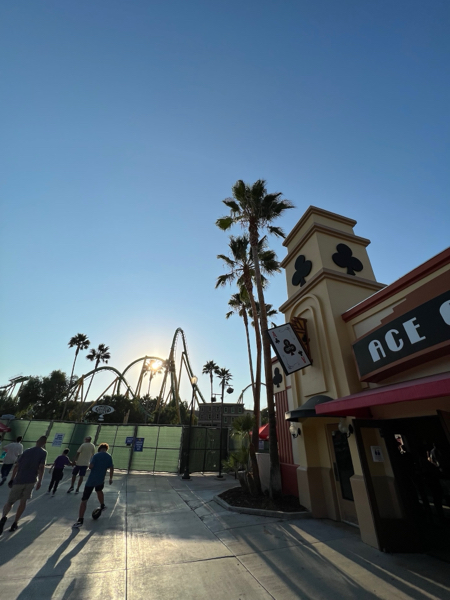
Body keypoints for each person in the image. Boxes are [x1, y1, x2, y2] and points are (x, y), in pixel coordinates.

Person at [0, 436, 47, 535]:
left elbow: (17, 466)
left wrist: (12, 478)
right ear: (44, 443)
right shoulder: (43, 453)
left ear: (36, 441)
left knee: (10, 502)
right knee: (23, 502)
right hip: (31, 481)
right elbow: (41, 467)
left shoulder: (26, 451)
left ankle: (3, 517)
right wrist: (40, 481)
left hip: (19, 479)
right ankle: (15, 523)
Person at [72, 442, 114, 528]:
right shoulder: (109, 456)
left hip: (91, 480)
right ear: (106, 449)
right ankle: (102, 505)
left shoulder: (96, 455)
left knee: (84, 500)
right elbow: (111, 467)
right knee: (99, 490)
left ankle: (80, 520)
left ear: (99, 448)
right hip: (100, 480)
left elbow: (90, 466)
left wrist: (90, 465)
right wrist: (110, 478)